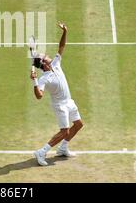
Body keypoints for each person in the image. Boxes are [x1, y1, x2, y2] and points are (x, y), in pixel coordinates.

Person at [30, 22, 84, 166]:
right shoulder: (43, 78)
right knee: (65, 131)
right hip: (60, 106)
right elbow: (39, 96)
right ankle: (41, 152)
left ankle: (63, 148)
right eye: (45, 56)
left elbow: (61, 47)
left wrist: (65, 31)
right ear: (43, 63)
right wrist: (35, 82)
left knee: (78, 124)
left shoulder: (55, 64)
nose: (48, 55)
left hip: (69, 101)